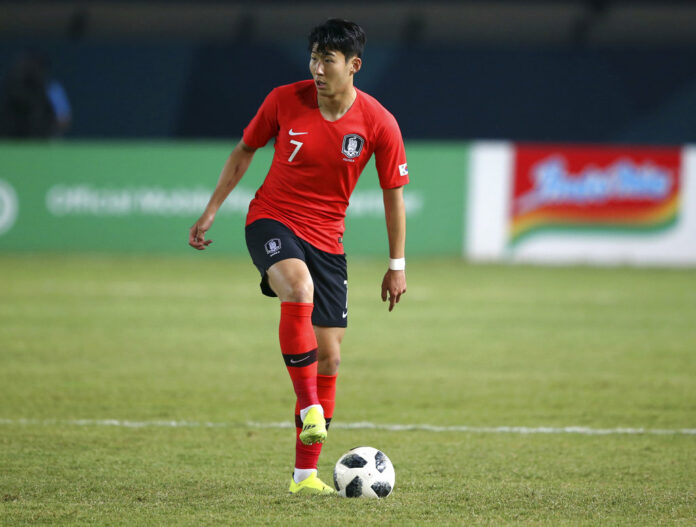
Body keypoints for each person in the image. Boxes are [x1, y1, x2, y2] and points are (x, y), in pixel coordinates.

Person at [189, 18, 409, 495]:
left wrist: (397, 266)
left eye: (327, 60)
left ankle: (304, 477)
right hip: (272, 219)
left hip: (328, 242)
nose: (316, 68)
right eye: (313, 57)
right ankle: (310, 408)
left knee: (329, 358)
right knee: (297, 286)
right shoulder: (283, 99)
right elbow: (244, 150)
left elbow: (394, 194)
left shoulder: (378, 122)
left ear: (353, 66)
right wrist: (210, 212)